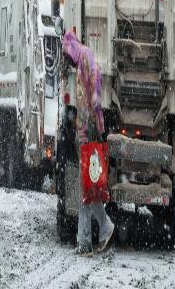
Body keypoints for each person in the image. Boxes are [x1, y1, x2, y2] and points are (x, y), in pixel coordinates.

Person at [62, 30, 115, 256]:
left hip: (89, 131)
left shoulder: (83, 57)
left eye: (66, 54)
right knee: (87, 187)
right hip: (88, 129)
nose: (67, 58)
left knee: (88, 187)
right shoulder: (84, 57)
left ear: (70, 47)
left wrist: (86, 126)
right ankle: (85, 239)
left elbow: (90, 97)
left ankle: (103, 228)